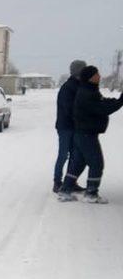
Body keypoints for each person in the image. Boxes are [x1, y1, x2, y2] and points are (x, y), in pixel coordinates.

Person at [58, 65, 123, 204]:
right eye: (96, 74)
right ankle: (91, 193)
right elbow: (102, 108)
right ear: (90, 77)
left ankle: (65, 190)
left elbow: (102, 102)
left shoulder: (89, 90)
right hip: (86, 134)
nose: (99, 76)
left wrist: (116, 100)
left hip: (84, 133)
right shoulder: (86, 93)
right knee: (97, 163)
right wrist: (120, 102)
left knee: (78, 163)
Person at [53, 59, 86, 193]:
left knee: (74, 155)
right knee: (63, 154)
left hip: (75, 126)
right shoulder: (68, 87)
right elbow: (69, 108)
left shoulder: (80, 86)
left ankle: (70, 181)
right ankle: (57, 182)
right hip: (65, 127)